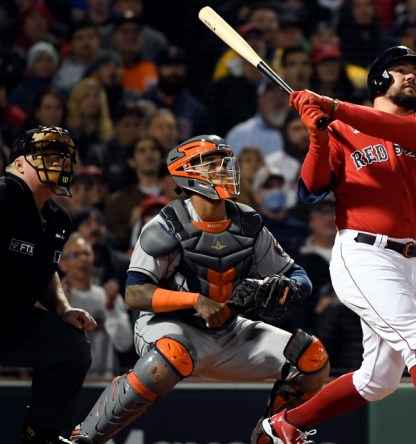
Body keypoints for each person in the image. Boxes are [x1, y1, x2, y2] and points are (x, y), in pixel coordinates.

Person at [260, 46, 416, 444]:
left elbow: (395, 129)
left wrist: (332, 106)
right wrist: (319, 136)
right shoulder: (341, 128)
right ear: (378, 81)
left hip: (408, 261)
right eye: (400, 70)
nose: (411, 78)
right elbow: (312, 190)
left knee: (379, 380)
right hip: (363, 253)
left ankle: (285, 425)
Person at [70, 135, 328, 443]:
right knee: (169, 358)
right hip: (173, 326)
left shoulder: (248, 222)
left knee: (312, 358)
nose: (223, 169)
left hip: (231, 328)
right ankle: (84, 437)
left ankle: (273, 432)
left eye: (224, 163)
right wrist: (196, 301)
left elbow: (300, 276)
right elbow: (135, 294)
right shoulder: (165, 225)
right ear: (187, 172)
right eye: (213, 164)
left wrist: (284, 288)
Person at [0, 126, 97, 443]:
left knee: (69, 345)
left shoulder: (58, 219)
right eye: (51, 155)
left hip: (9, 322)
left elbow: (46, 267)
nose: (60, 163)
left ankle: (42, 435)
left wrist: (62, 307)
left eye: (64, 157)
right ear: (20, 163)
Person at [59, 233, 133, 378]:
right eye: (75, 255)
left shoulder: (108, 296)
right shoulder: (56, 299)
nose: (82, 259)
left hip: (105, 381)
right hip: (67, 380)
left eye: (86, 253)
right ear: (62, 264)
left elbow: (124, 344)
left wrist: (110, 308)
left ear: (93, 259)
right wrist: (62, 308)